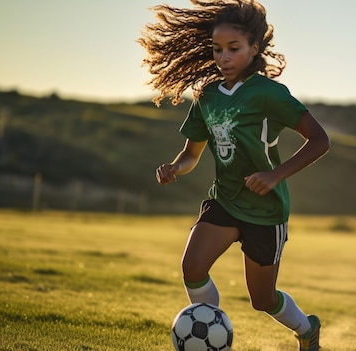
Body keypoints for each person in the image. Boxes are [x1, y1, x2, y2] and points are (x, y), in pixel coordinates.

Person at [139, 1, 330, 350]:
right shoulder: (207, 96)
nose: (223, 57)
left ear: (254, 49)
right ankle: (210, 338)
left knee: (262, 299)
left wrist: (275, 176)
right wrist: (174, 169)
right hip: (224, 199)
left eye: (233, 49)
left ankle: (307, 330)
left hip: (265, 210)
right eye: (217, 49)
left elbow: (320, 140)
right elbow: (190, 154)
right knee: (192, 267)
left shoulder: (270, 94)